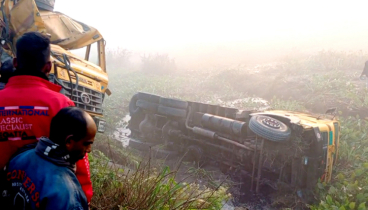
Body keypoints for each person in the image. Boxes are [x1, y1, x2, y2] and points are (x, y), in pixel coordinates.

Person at [0, 32, 93, 203]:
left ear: (15, 63)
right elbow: (79, 161)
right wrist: (84, 197)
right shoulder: (62, 105)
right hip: (46, 200)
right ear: (48, 67)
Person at [7, 107, 96, 210]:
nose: (89, 150)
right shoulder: (66, 194)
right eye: (87, 144)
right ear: (69, 142)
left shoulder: (20, 157)